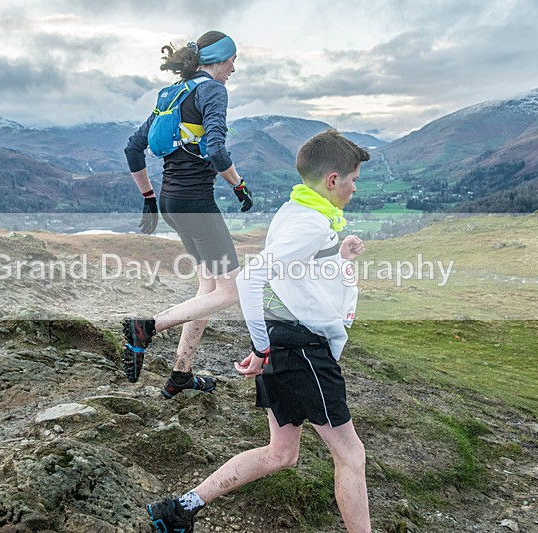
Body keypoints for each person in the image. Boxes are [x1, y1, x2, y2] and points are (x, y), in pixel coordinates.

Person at [146, 130, 372, 533]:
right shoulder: (312, 223)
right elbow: (253, 278)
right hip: (302, 349)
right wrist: (263, 348)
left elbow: (294, 273)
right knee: (351, 456)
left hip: (288, 343)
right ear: (333, 179)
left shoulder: (295, 210)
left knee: (280, 454)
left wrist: (339, 254)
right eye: (354, 179)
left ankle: (179, 509)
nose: (355, 188)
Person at [122, 31, 253, 399]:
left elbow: (133, 149)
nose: (233, 68)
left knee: (208, 287)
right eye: (231, 60)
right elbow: (216, 149)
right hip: (197, 205)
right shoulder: (212, 91)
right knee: (231, 290)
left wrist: (148, 197)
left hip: (171, 203)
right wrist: (239, 185)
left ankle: (181, 374)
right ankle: (146, 328)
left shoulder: (172, 93)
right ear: (217, 59)